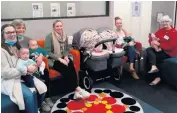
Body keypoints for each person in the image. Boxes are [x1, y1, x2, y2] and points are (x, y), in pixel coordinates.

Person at [1, 24, 47, 113]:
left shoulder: (17, 47)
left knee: (43, 88)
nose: (12, 34)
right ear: (3, 35)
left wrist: (35, 62)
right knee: (29, 95)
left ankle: (35, 108)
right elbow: (5, 73)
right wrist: (25, 70)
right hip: (10, 80)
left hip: (23, 76)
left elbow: (26, 59)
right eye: (8, 32)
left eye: (13, 32)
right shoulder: (2, 51)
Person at [12, 19, 53, 109]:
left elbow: (38, 50)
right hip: (21, 66)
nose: (21, 30)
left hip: (31, 61)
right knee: (32, 79)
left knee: (45, 71)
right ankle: (39, 102)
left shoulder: (28, 39)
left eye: (23, 28)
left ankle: (47, 97)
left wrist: (40, 56)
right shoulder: (11, 41)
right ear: (13, 29)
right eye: (19, 28)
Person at [44, 20, 90, 99]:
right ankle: (77, 89)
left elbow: (67, 48)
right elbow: (47, 52)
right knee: (66, 68)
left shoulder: (64, 35)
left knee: (71, 64)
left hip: (63, 57)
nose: (59, 28)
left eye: (60, 26)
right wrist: (59, 59)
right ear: (54, 27)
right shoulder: (49, 36)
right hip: (54, 59)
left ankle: (76, 91)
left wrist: (65, 56)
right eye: (57, 26)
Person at [147, 15, 177, 85]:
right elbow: (152, 38)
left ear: (170, 22)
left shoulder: (174, 32)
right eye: (163, 22)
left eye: (166, 21)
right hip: (159, 49)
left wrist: (159, 45)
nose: (164, 23)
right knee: (148, 50)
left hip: (169, 52)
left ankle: (158, 77)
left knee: (155, 57)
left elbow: (171, 46)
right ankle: (153, 66)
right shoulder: (161, 30)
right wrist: (152, 41)